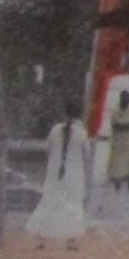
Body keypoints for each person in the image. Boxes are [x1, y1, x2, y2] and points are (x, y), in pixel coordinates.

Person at [25, 101, 93, 249]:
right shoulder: (81, 133)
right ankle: (71, 240)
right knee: (72, 206)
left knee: (49, 203)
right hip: (73, 175)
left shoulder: (55, 130)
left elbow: (47, 150)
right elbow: (87, 156)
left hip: (54, 173)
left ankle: (42, 239)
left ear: (65, 113)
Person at [106, 89, 129, 192]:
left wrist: (123, 125)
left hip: (128, 140)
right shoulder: (116, 111)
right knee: (118, 162)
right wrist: (124, 125)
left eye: (127, 99)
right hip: (118, 140)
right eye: (124, 98)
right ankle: (117, 183)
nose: (126, 101)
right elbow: (115, 125)